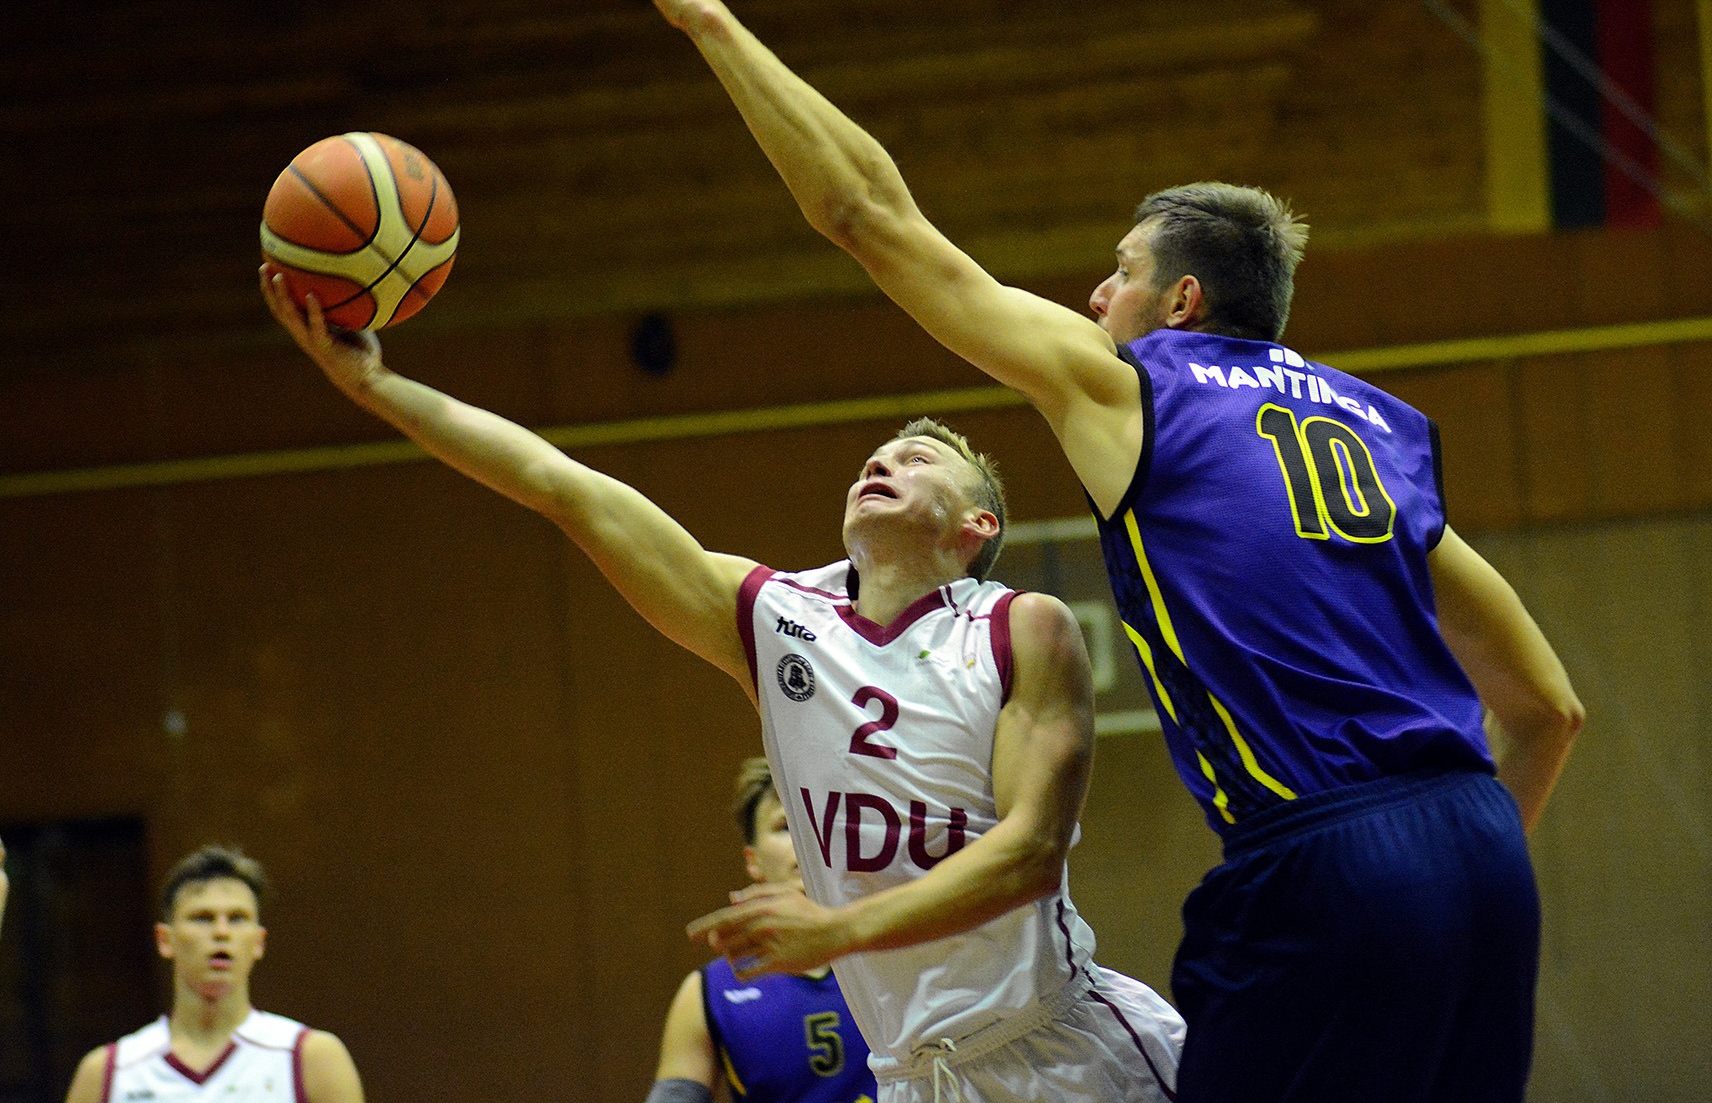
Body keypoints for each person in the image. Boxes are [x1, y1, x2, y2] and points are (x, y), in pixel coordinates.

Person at [612, 0, 1587, 1103]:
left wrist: (706, 19)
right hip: (1482, 855)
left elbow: (867, 214)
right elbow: (1548, 707)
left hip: (1320, 853)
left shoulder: (1140, 386)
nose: (1093, 296)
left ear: (1182, 300)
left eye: (1118, 272)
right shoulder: (1377, 437)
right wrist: (1455, 882)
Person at [260, 271, 1182, 1103]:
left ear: (976, 525)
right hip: (910, 1078)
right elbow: (560, 485)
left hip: (1061, 1049)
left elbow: (1031, 855)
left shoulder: (1020, 625)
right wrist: (375, 386)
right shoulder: (774, 617)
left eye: (917, 460)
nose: (882, 464)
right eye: (875, 458)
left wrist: (840, 931)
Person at [652, 757, 877, 1103]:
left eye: (818, 820)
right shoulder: (709, 991)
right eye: (786, 826)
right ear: (752, 860)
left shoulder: (899, 946)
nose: (807, 838)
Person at [64, 845, 364, 1103]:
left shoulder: (310, 1057)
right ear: (165, 940)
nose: (221, 932)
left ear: (258, 942)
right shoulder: (108, 1072)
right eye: (203, 918)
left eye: (237, 918)